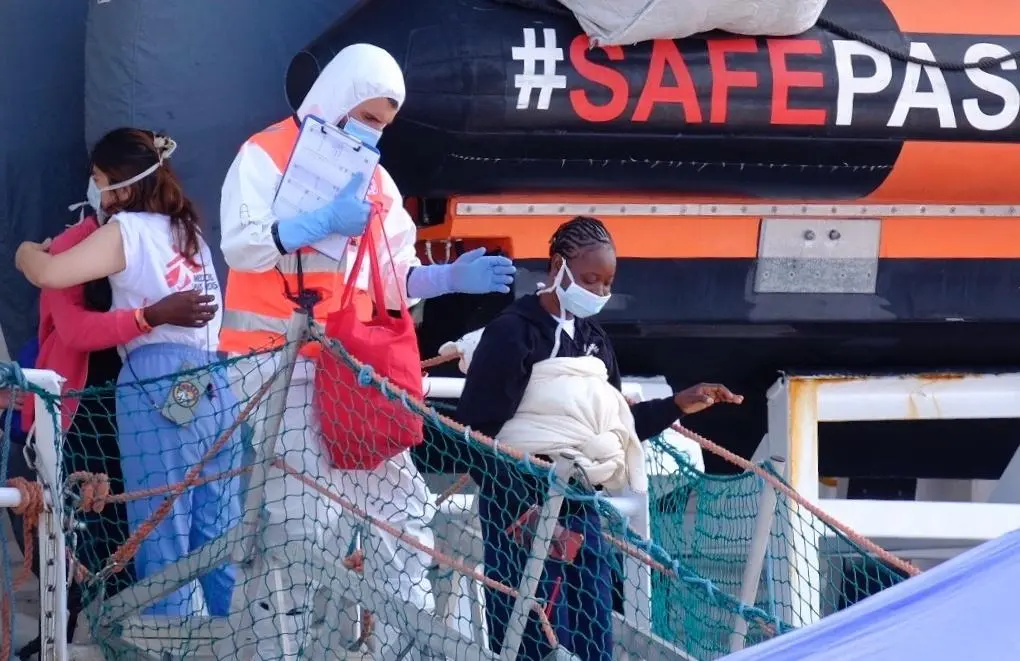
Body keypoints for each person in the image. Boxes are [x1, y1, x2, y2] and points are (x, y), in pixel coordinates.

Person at [218, 42, 515, 658]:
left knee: (400, 509)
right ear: (341, 95)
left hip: (352, 374)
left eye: (383, 123)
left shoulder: (376, 181)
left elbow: (393, 274)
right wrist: (309, 222)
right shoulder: (265, 155)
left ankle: (409, 644)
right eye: (370, 115)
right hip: (276, 367)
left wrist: (444, 278)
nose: (374, 131)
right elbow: (243, 245)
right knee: (302, 519)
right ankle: (287, 648)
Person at [455, 216, 743, 661]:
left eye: (607, 283)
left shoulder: (595, 340)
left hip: (581, 503)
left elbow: (614, 429)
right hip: (521, 503)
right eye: (590, 280)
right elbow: (476, 432)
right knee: (531, 634)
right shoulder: (514, 333)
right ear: (557, 267)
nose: (600, 292)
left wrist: (677, 404)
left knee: (592, 630)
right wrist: (525, 508)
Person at [15, 127, 240, 618]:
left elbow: (50, 274)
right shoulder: (190, 233)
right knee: (217, 530)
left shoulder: (128, 230)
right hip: (214, 383)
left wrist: (25, 251)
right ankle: (235, 639)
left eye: (99, 179)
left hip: (157, 381)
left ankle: (171, 643)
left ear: (119, 184)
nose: (96, 189)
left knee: (161, 527)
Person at [10, 206, 217, 653]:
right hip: (78, 407)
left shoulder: (165, 238)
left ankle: (146, 635)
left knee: (155, 523)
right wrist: (150, 316)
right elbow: (71, 325)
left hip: (147, 397)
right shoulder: (78, 248)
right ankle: (64, 636)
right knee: (71, 525)